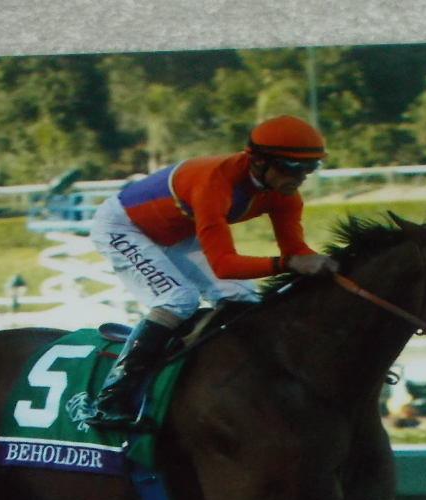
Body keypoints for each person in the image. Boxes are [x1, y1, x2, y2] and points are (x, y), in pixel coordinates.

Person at [86, 115, 341, 425]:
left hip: (177, 231)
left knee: (243, 299)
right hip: (124, 226)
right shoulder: (215, 182)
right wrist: (287, 264)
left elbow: (296, 252)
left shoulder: (284, 195)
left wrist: (331, 267)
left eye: (310, 168)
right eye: (291, 167)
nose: (300, 177)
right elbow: (224, 265)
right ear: (258, 161)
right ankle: (112, 397)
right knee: (178, 299)